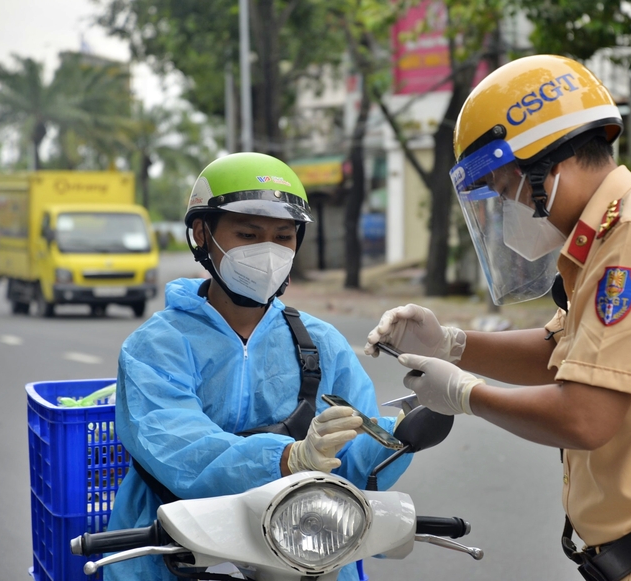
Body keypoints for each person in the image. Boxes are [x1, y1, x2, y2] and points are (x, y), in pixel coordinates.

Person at [365, 55, 631, 581]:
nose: (505, 209)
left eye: (504, 190)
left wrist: (464, 394)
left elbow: (586, 416)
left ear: (547, 165)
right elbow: (557, 356)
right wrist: (449, 342)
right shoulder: (607, 240)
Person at [108, 152, 411, 581]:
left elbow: (355, 465)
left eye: (283, 237)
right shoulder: (155, 347)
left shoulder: (321, 343)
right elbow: (181, 450)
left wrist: (406, 433)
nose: (268, 252)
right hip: (173, 555)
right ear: (201, 233)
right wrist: (289, 458)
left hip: (302, 554)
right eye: (249, 233)